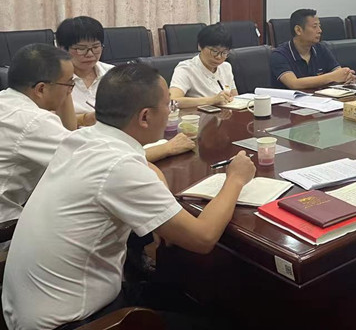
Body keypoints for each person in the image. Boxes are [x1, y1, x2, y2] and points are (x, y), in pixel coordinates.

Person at [2, 64, 256, 330]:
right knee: (225, 319)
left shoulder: (84, 138)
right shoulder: (119, 166)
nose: (170, 110)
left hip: (26, 308)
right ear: (145, 117)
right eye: (168, 105)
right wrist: (235, 179)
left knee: (191, 297)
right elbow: (202, 238)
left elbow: (138, 167)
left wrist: (160, 201)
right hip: (76, 322)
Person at [0, 44, 73, 225]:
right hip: (6, 224)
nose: (70, 91)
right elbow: (87, 160)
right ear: (41, 89)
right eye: (69, 84)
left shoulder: (6, 101)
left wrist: (63, 89)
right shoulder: (34, 121)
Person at [270, 8, 356, 90]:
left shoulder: (321, 49)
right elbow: (294, 84)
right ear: (298, 30)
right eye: (315, 27)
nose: (320, 30)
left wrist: (346, 76)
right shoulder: (279, 55)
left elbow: (338, 72)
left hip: (320, 98)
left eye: (319, 26)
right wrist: (332, 77)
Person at [55, 16, 114, 127]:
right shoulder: (54, 81)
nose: (90, 54)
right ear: (62, 49)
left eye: (96, 47)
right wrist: (85, 119)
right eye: (81, 48)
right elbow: (48, 119)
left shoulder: (113, 74)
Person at [169, 23, 238, 108]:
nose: (219, 57)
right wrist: (211, 100)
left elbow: (235, 98)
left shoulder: (226, 67)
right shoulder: (186, 69)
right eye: (214, 51)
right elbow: (172, 101)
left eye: (224, 52)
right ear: (200, 46)